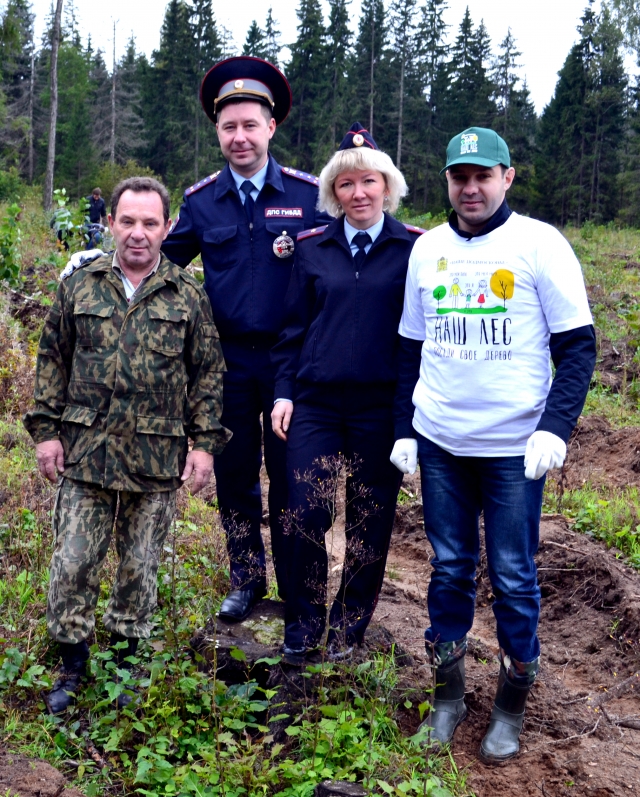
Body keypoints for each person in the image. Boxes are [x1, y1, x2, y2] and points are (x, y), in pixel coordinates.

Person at [390, 127, 596, 762]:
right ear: (447, 182)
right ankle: (448, 695)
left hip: (514, 448)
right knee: (450, 566)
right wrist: (405, 427)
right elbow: (410, 348)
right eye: (459, 177)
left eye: (483, 175)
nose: (470, 187)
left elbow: (577, 346)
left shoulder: (540, 244)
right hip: (443, 442)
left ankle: (511, 702)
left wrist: (554, 428)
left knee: (512, 574)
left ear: (507, 176)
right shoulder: (428, 251)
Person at [23, 177, 231, 714]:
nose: (138, 234)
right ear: (110, 223)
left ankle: (124, 661)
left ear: (167, 228)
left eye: (150, 223)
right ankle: (71, 661)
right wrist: (46, 433)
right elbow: (52, 358)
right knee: (73, 562)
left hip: (155, 454)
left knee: (140, 567)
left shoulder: (187, 295)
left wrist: (203, 446)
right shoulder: (80, 285)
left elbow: (207, 374)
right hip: (86, 450)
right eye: (128, 221)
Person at [161, 57, 331, 623]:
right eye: (229, 126)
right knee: (235, 478)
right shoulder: (202, 200)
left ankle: (298, 589)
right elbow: (161, 261)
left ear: (271, 128)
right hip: (227, 365)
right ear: (217, 130)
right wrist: (98, 267)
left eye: (250, 125)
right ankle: (246, 579)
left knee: (293, 483)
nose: (239, 137)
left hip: (292, 366)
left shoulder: (309, 198)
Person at [271, 123, 425, 663]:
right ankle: (305, 620)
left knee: (370, 516)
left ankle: (349, 625)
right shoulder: (313, 248)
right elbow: (292, 329)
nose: (358, 193)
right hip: (315, 403)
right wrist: (283, 392)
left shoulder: (415, 249)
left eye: (369, 181)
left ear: (387, 186)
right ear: (333, 193)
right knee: (305, 509)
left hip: (379, 407)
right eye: (346, 185)